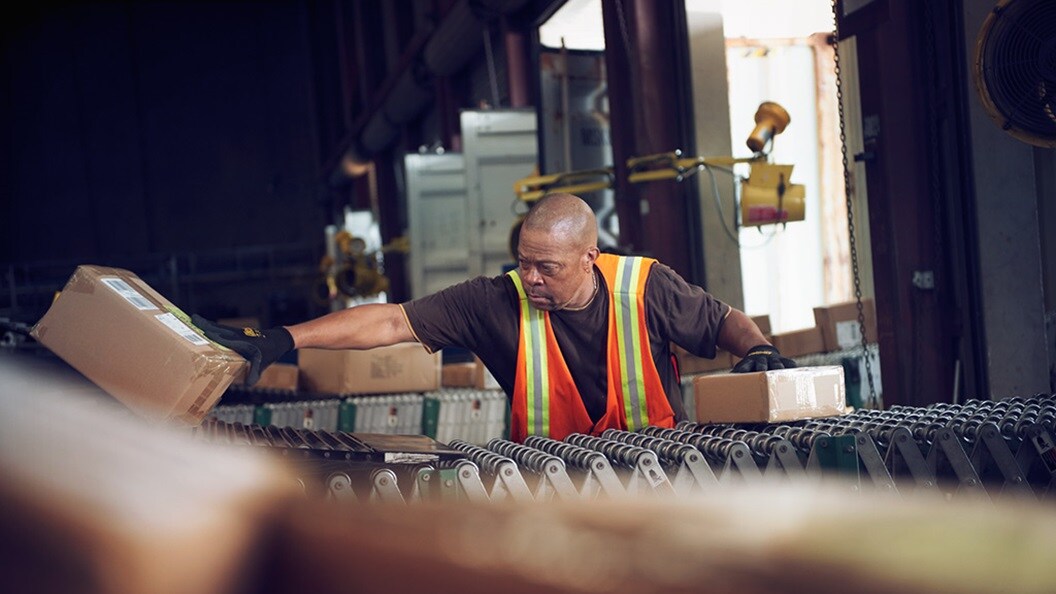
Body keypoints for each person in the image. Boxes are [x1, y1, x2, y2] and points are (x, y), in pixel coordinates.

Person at [193, 193, 793, 442]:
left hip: (661, 478)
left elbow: (722, 323)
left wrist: (757, 350)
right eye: (523, 263)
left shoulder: (644, 286)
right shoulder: (493, 301)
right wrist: (281, 339)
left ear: (591, 258)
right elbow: (390, 323)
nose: (530, 278)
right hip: (551, 488)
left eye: (547, 268)